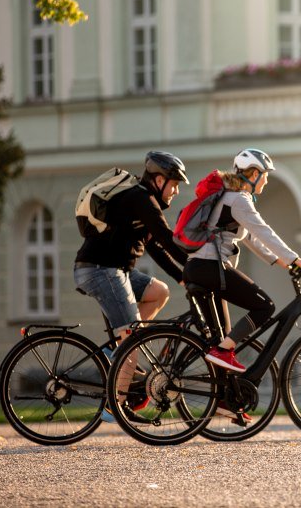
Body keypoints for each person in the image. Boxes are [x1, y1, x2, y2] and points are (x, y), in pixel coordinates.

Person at [74, 150, 189, 414]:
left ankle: (119, 351)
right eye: (174, 184)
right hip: (100, 270)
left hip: (115, 271)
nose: (176, 191)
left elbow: (158, 248)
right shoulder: (142, 199)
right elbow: (167, 238)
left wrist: (183, 277)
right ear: (159, 181)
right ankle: (114, 407)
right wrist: (197, 265)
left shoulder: (140, 201)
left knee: (159, 292)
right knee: (133, 343)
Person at [183, 148, 301, 376]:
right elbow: (264, 232)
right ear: (253, 174)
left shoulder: (228, 197)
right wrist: (295, 258)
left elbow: (252, 238)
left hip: (198, 268)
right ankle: (223, 353)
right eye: (265, 174)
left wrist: (284, 263)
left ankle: (225, 401)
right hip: (211, 267)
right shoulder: (239, 199)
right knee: (264, 306)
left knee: (222, 338)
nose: (266, 180)